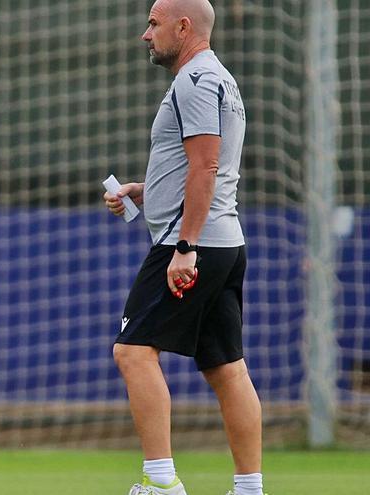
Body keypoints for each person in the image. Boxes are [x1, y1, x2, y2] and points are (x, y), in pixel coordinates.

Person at [103, 1, 265, 494]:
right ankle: (250, 489)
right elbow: (202, 166)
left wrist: (186, 246)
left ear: (183, 26)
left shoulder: (194, 81)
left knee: (132, 352)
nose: (146, 34)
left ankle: (160, 483)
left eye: (154, 23)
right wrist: (146, 191)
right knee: (227, 368)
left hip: (193, 242)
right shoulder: (221, 79)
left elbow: (206, 166)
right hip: (225, 241)